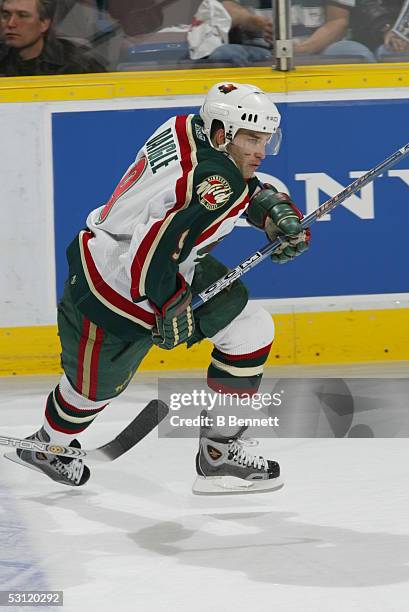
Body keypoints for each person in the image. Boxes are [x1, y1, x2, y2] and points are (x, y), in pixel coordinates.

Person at [6, 82, 311, 495]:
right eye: (251, 138)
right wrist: (170, 304)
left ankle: (219, 450)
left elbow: (217, 194)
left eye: (265, 140)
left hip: (160, 265)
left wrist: (272, 212)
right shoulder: (214, 179)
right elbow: (153, 248)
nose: (260, 150)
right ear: (222, 134)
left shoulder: (187, 125)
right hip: (113, 286)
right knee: (91, 391)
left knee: (249, 330)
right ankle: (48, 447)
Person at [203, 0, 375, 66]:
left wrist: (305, 48)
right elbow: (225, 8)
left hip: (320, 52)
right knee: (224, 55)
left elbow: (338, 21)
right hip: (260, 51)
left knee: (356, 53)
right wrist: (253, 21)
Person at [0, 0, 106, 76]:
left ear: (44, 24)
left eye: (23, 16)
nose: (11, 23)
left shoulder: (77, 65)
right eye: (6, 15)